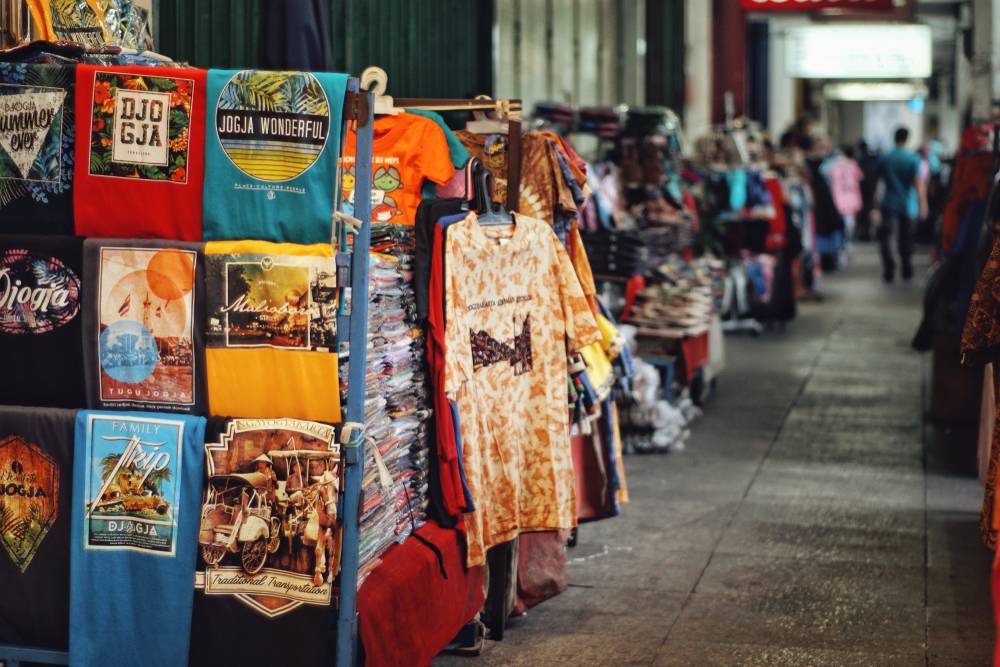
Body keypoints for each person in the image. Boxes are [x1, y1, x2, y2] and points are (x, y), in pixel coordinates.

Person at [874, 126, 927, 283]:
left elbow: (879, 183)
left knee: (889, 237)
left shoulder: (885, 158)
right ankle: (906, 267)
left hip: (889, 203)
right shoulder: (913, 159)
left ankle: (889, 269)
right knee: (907, 238)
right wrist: (923, 205)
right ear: (907, 139)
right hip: (909, 205)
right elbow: (918, 183)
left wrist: (875, 204)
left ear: (894, 138)